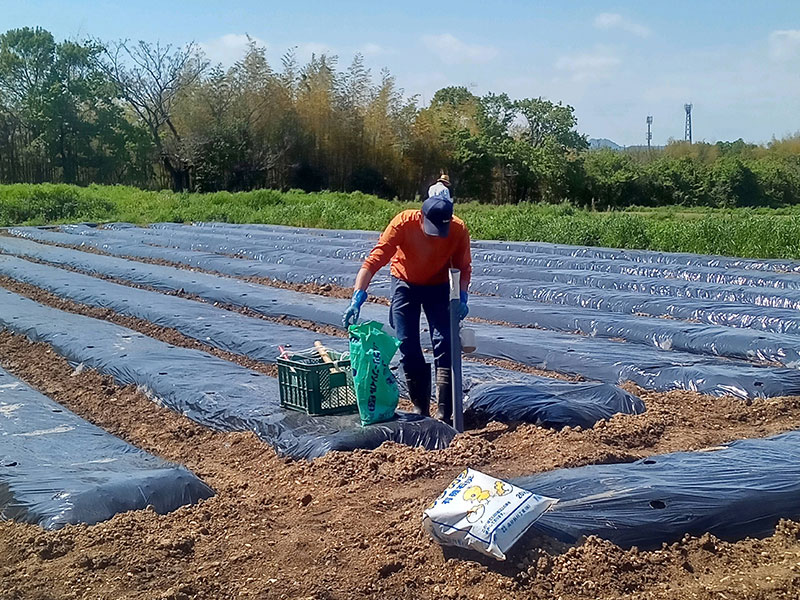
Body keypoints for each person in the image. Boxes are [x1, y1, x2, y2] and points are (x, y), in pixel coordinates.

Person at [342, 196, 471, 422]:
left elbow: (463, 267)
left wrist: (462, 296)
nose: (435, 236)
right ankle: (420, 407)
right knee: (406, 342)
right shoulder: (403, 223)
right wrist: (358, 295)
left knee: (444, 341)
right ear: (421, 217)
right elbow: (374, 260)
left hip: (439, 285)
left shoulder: (458, 230)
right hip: (405, 283)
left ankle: (444, 411)